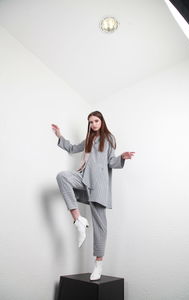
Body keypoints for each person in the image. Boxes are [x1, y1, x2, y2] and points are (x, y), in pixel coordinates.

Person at [51, 110, 135, 280]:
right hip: (83, 178)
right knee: (62, 177)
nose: (93, 124)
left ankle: (98, 264)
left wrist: (122, 158)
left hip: (99, 185)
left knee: (100, 226)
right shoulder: (89, 139)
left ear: (102, 121)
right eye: (90, 122)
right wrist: (59, 135)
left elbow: (111, 161)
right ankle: (78, 219)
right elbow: (73, 148)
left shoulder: (109, 138)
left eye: (96, 121)